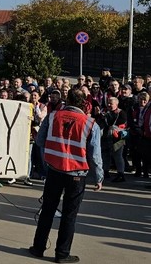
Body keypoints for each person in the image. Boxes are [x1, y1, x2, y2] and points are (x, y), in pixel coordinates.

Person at [29, 88, 103, 263]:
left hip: (54, 170)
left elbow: (39, 141)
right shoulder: (90, 123)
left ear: (67, 99)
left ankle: (38, 247)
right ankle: (62, 254)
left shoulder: (53, 116)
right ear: (84, 103)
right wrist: (99, 177)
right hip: (76, 175)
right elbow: (95, 156)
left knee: (47, 210)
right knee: (69, 214)